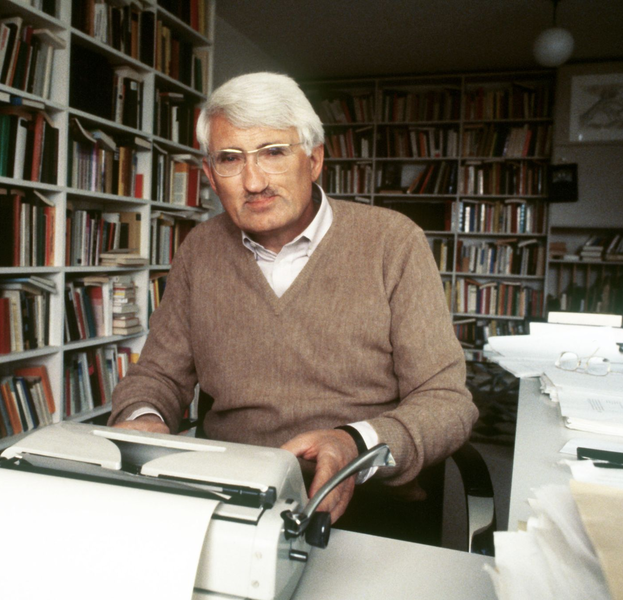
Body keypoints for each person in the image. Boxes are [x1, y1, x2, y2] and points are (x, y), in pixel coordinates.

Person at [108, 72, 477, 541]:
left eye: (273, 153)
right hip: (229, 499)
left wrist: (353, 444)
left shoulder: (392, 241)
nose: (254, 181)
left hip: (366, 505)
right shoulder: (200, 248)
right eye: (230, 159)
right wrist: (145, 418)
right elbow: (158, 375)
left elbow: (446, 402)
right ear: (209, 175)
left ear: (314, 159)